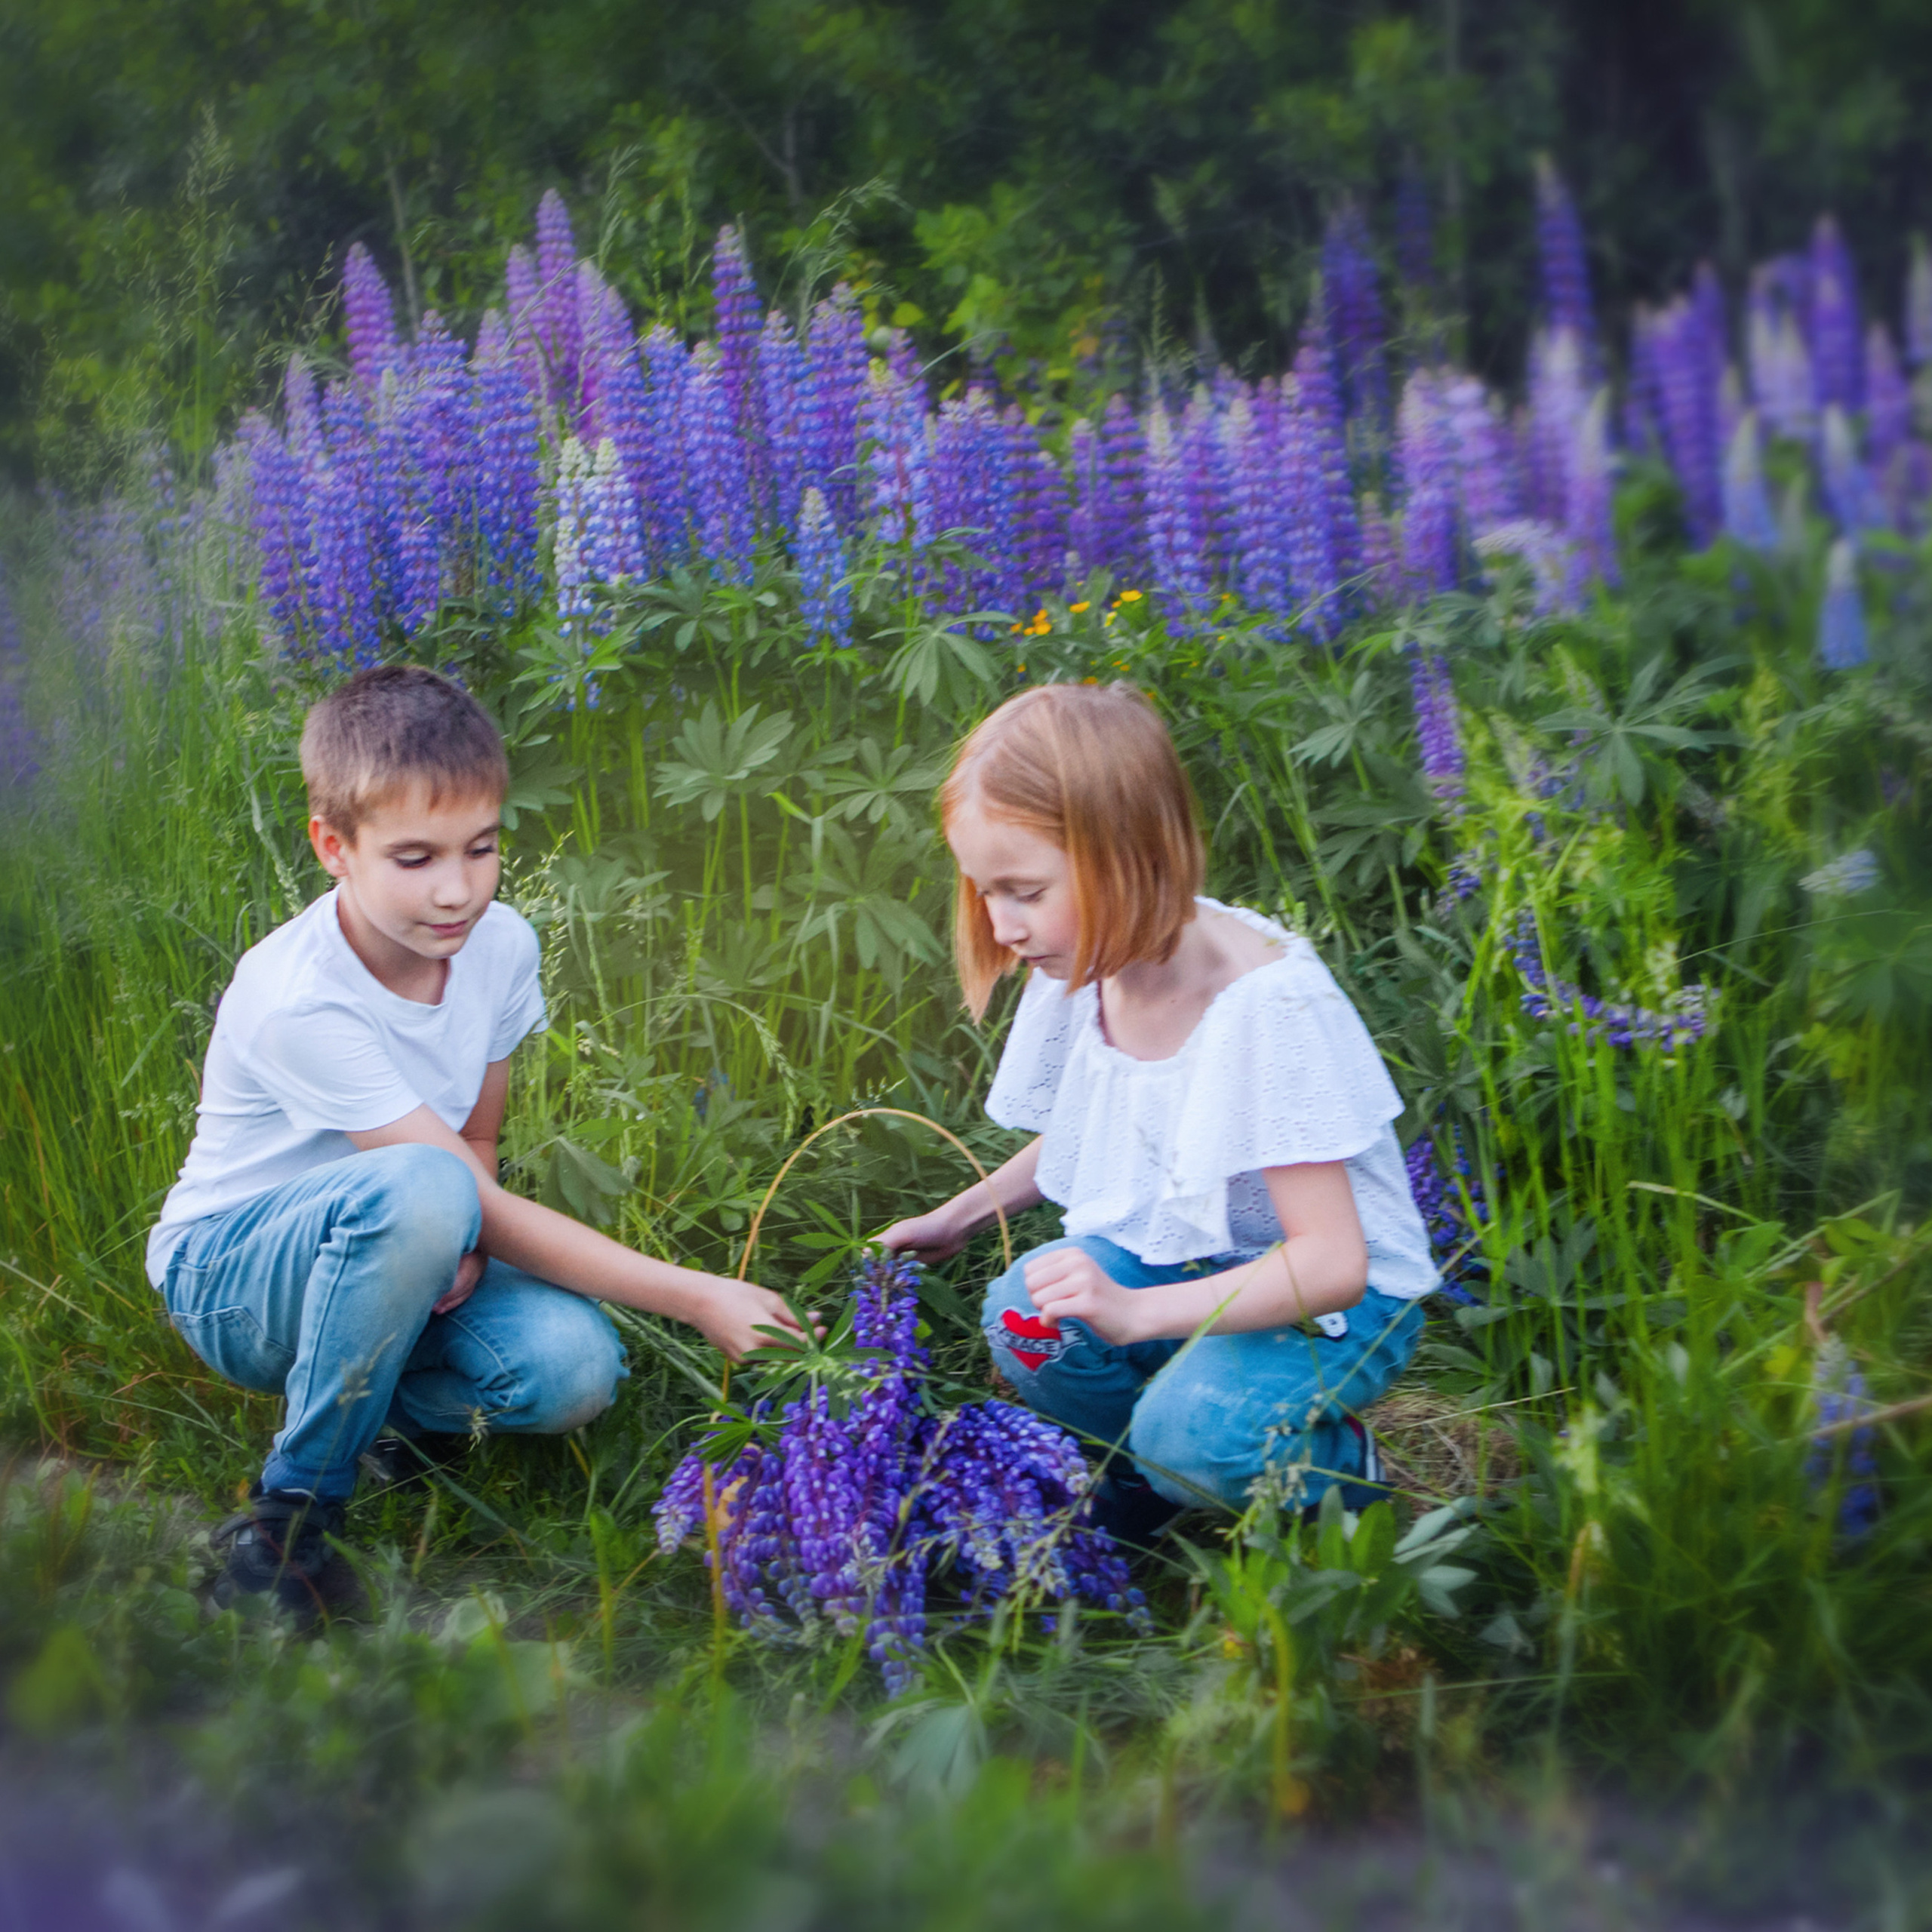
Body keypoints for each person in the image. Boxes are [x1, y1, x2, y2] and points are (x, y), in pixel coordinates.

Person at [150, 666, 802, 1620]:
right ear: (334, 847)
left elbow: (479, 1135)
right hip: (236, 1279)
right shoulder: (301, 997)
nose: (457, 890)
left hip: (408, 1231)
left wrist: (462, 1240)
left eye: (481, 848)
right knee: (417, 1187)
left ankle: (380, 1416)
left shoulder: (499, 946)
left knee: (576, 1370)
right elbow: (449, 1183)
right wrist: (698, 1295)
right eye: (413, 858)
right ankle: (286, 1518)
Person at [880, 682, 1438, 1545]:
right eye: (984, 892)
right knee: (1026, 1317)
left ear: (1128, 854)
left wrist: (1138, 1314)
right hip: (1182, 1255)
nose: (1003, 926)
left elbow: (1331, 1263)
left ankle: (1337, 1486)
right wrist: (958, 1216)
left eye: (1024, 890)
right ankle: (1155, 1485)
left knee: (1195, 1430)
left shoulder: (1262, 1007)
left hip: (1327, 1304)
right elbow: (1095, 1132)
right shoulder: (1091, 963)